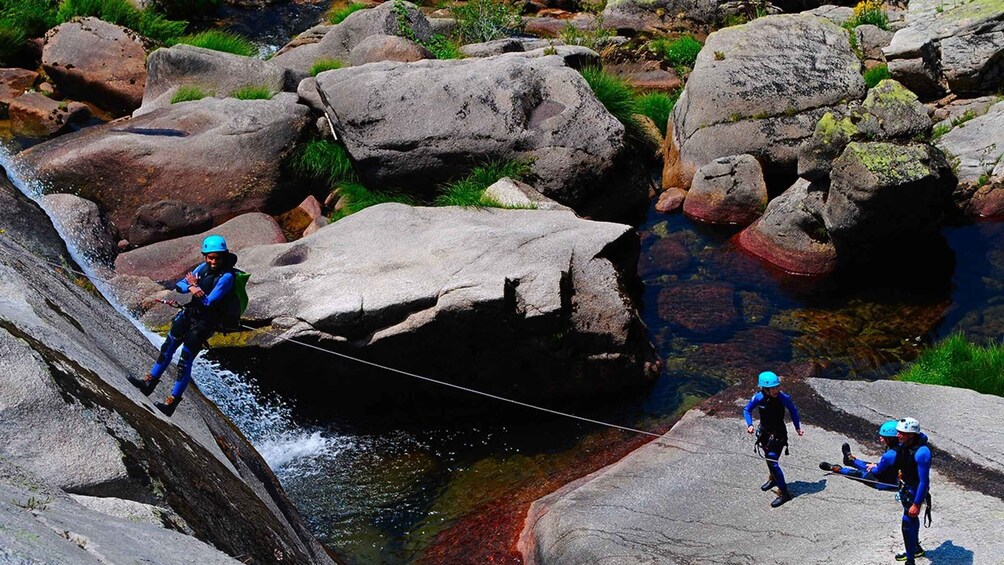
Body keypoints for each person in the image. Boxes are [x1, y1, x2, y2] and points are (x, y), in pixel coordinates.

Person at [129, 235, 240, 416]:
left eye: (217, 257)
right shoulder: (202, 268)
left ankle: (171, 403)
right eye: (210, 257)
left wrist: (195, 288)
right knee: (167, 348)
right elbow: (180, 285)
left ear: (224, 256)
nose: (213, 261)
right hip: (189, 314)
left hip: (204, 324)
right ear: (205, 256)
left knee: (184, 362)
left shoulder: (226, 277)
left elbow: (209, 303)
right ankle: (149, 383)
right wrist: (191, 287)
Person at [743, 370, 803, 508]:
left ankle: (784, 493)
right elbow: (747, 410)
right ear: (764, 388)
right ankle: (774, 479)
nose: (776, 390)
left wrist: (797, 427)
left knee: (772, 461)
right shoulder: (758, 398)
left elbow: (793, 410)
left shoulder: (783, 397)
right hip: (764, 434)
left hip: (779, 435)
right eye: (773, 388)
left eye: (777, 387)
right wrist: (750, 424)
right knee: (768, 459)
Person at [888, 417, 932, 564]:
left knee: (907, 522)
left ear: (911, 435)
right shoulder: (905, 444)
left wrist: (917, 504)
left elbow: (924, 481)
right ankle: (915, 548)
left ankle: (910, 559)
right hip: (906, 487)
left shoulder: (922, 453)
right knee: (911, 520)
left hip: (914, 491)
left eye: (901, 433)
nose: (898, 435)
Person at [818, 420, 899, 491]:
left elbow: (877, 471)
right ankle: (851, 461)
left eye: (883, 437)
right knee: (868, 465)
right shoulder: (903, 447)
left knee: (860, 473)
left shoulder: (889, 455)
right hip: (894, 474)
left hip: (885, 482)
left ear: (891, 438)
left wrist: (874, 468)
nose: (880, 438)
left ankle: (838, 469)